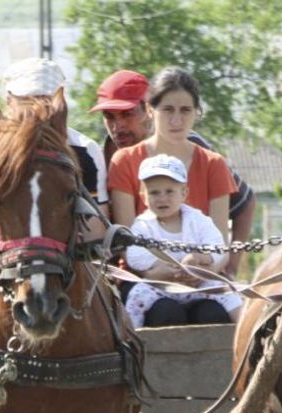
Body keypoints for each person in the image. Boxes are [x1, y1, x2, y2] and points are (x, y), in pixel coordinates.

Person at [0, 58, 108, 273]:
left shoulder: (84, 150)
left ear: (59, 103)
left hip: (65, 257)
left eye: (44, 99)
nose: (36, 108)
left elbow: (96, 227)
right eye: (27, 100)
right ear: (9, 100)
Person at [92, 68, 255, 276]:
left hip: (200, 270)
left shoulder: (196, 148)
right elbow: (121, 237)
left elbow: (245, 202)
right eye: (109, 116)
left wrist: (227, 266)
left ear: (147, 109)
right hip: (141, 275)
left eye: (127, 114)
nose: (118, 125)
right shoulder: (103, 158)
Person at [123, 154, 241, 327]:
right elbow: (134, 254)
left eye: (169, 191)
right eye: (154, 192)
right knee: (136, 296)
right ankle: (132, 338)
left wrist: (200, 258)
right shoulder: (142, 225)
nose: (162, 198)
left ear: (184, 193)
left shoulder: (198, 220)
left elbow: (217, 245)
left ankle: (248, 331)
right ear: (143, 197)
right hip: (161, 286)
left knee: (229, 293)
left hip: (198, 284)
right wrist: (160, 266)